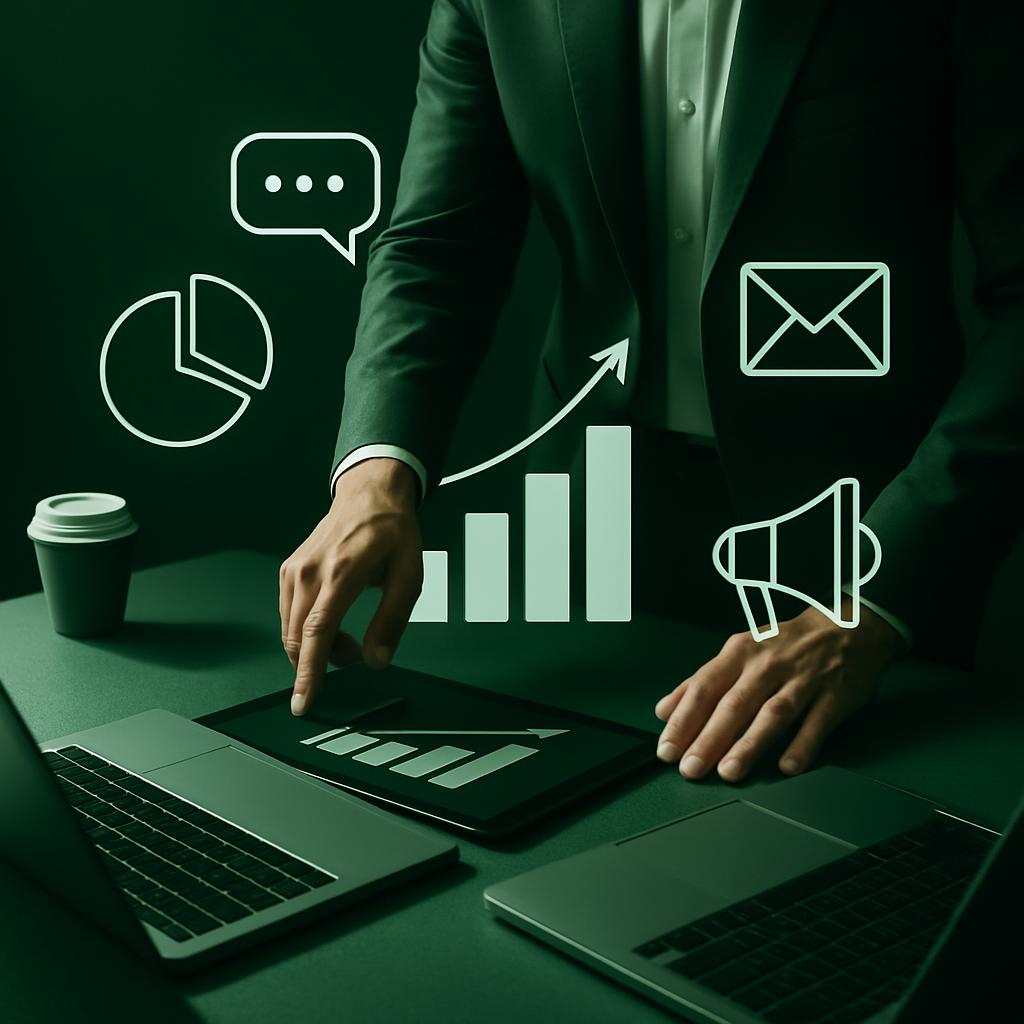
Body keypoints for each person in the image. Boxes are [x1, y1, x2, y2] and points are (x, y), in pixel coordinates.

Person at [279, 0, 1023, 784]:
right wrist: (374, 475)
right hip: (588, 533)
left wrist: (877, 597)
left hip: (867, 534)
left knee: (855, 851)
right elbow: (437, 245)